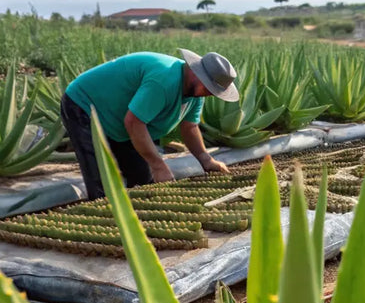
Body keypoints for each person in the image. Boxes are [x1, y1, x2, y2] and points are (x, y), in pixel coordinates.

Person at [60, 49, 237, 200]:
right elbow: (134, 122)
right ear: (196, 73)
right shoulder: (164, 80)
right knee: (101, 183)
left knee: (143, 180)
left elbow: (189, 127)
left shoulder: (195, 93)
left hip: (122, 120)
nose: (210, 94)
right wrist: (159, 165)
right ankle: (103, 227)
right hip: (84, 105)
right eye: (209, 89)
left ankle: (138, 222)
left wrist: (206, 160)